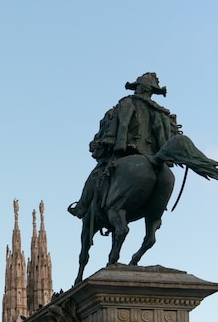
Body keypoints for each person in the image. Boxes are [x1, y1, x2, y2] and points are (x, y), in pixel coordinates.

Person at [68, 73, 181, 219]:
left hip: (128, 151)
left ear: (139, 88)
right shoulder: (161, 113)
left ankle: (81, 207)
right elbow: (163, 135)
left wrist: (118, 145)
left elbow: (123, 124)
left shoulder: (128, 103)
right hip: (155, 157)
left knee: (96, 174)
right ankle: (153, 223)